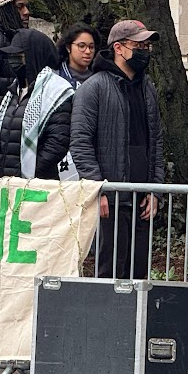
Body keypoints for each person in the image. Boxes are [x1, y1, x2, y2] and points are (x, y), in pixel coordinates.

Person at [69, 19, 165, 280]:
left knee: (139, 273)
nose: (145, 50)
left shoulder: (147, 89)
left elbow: (156, 141)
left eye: (147, 45)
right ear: (119, 48)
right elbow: (80, 142)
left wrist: (155, 189)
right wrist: (96, 188)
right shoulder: (93, 89)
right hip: (110, 200)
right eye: (139, 44)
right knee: (110, 271)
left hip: (142, 197)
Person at [0, 46, 75, 180]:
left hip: (34, 185)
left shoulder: (56, 93)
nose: (13, 62)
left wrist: (30, 173)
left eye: (19, 57)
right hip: (2, 183)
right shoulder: (12, 92)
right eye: (11, 58)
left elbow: (57, 143)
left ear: (34, 57)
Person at [57, 24, 98, 89]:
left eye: (91, 47)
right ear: (68, 47)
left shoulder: (99, 78)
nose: (88, 51)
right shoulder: (56, 77)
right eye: (81, 46)